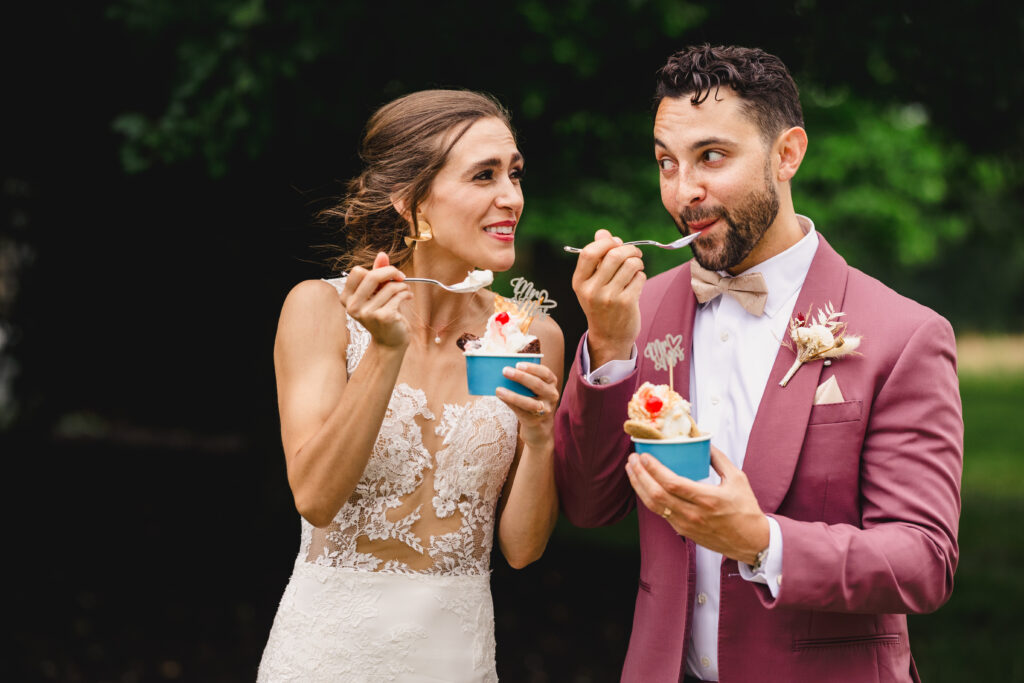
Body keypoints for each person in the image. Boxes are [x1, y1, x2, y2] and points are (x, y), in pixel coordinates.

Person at [553, 45, 962, 682]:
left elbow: (923, 563)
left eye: (712, 157)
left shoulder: (903, 335)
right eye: (667, 162)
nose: (684, 191)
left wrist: (763, 542)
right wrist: (608, 348)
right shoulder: (642, 308)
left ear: (787, 154)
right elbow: (587, 503)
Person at [258, 90, 564, 682]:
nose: (512, 198)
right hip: (328, 657)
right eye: (484, 175)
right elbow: (316, 497)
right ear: (411, 202)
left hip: (458, 659)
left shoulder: (534, 334)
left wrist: (542, 438)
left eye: (515, 174)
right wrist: (385, 349)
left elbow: (523, 551)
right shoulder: (320, 310)